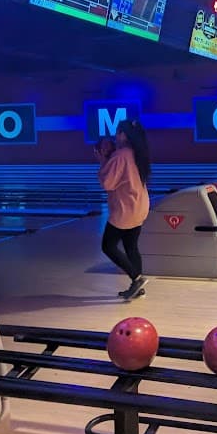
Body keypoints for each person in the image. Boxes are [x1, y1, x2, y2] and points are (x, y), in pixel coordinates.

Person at [96, 119, 151, 300]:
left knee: (108, 246)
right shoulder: (137, 153)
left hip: (126, 209)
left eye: (117, 132)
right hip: (139, 205)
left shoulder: (121, 155)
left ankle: (137, 279)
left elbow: (107, 183)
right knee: (131, 247)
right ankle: (138, 288)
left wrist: (103, 160)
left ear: (124, 135)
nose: (115, 136)